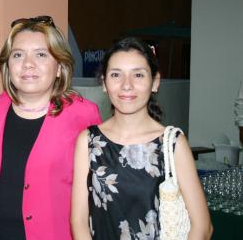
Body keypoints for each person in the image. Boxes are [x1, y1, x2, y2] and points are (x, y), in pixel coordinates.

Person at [0, 15, 102, 240]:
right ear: (8, 65)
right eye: (18, 55)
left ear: (59, 67)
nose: (28, 64)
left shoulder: (83, 114)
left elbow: (101, 188)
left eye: (40, 54)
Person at [71, 37, 213, 239]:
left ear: (155, 82)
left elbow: (202, 227)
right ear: (104, 83)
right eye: (116, 75)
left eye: (138, 75)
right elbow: (78, 222)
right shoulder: (88, 142)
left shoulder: (172, 144)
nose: (126, 85)